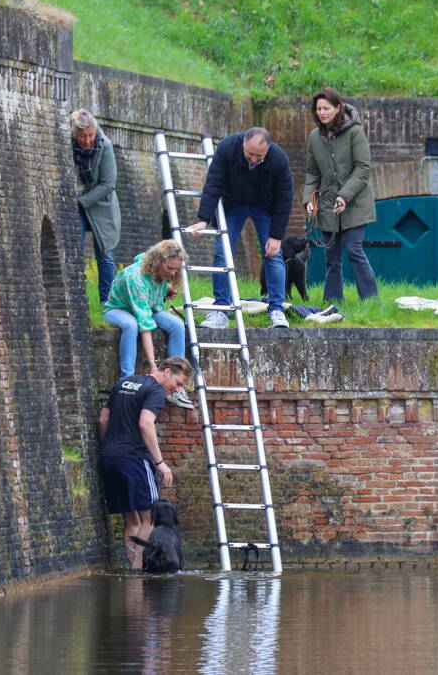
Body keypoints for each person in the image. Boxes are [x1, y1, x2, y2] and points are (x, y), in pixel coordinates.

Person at [186, 127, 293, 329]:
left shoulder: (279, 159)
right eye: (250, 154)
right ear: (243, 144)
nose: (253, 159)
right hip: (233, 204)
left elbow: (284, 198)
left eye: (259, 156)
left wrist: (276, 236)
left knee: (273, 254)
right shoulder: (228, 148)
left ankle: (277, 309)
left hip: (265, 206)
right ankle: (221, 311)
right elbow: (213, 184)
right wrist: (203, 219)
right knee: (222, 253)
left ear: (268, 150)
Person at [98, 356, 193, 570]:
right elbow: (146, 423)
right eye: (178, 383)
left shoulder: (125, 382)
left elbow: (103, 420)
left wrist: (109, 447)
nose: (177, 390)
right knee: (150, 519)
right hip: (135, 459)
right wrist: (160, 462)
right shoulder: (156, 391)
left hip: (110, 459)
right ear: (167, 371)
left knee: (132, 521)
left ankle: (133, 573)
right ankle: (138, 570)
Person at [303, 87, 379, 303]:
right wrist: (309, 200)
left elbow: (363, 167)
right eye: (318, 109)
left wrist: (344, 196)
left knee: (354, 249)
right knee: (332, 257)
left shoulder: (355, 132)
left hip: (355, 202)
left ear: (338, 108)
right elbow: (312, 172)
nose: (322, 112)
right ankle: (333, 302)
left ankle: (371, 301)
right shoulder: (314, 137)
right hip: (327, 204)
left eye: (326, 108)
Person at [103, 239, 193, 410]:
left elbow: (152, 296)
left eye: (176, 269)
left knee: (177, 325)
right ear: (157, 262)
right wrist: (153, 366)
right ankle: (126, 380)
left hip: (149, 309)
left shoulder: (159, 273)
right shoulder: (134, 278)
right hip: (119, 310)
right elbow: (145, 325)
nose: (173, 273)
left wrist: (167, 289)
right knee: (131, 325)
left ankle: (176, 384)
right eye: (170, 268)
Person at [71, 109, 121, 304]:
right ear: (75, 134)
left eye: (91, 135)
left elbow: (108, 184)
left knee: (105, 254)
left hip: (102, 205)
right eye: (83, 136)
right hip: (75, 203)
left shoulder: (104, 145)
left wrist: (81, 202)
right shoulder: (67, 144)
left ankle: (107, 303)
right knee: (74, 250)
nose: (87, 140)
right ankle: (76, 298)